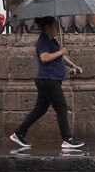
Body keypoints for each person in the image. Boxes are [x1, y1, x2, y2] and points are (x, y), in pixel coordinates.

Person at [10, 16, 84, 150]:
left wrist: (74, 66)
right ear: (47, 28)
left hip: (49, 80)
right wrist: (60, 51)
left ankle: (19, 133)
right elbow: (44, 58)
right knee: (61, 108)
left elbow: (61, 56)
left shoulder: (52, 40)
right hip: (48, 80)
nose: (57, 29)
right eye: (54, 27)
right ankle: (67, 139)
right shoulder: (43, 41)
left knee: (40, 109)